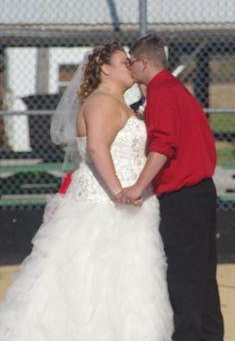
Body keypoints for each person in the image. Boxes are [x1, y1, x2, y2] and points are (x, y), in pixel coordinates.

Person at [0, 42, 173, 341]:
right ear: (105, 68)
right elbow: (96, 147)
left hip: (126, 205)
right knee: (94, 280)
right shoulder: (103, 101)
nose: (129, 65)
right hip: (104, 204)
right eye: (123, 61)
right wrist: (119, 191)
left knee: (124, 282)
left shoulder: (118, 102)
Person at [122, 34, 224, 341]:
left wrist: (139, 187)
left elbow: (163, 146)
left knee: (184, 275)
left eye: (130, 62)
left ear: (142, 62)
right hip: (200, 191)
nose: (129, 68)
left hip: (184, 196)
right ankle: (209, 334)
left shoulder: (163, 92)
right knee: (202, 273)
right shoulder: (174, 89)